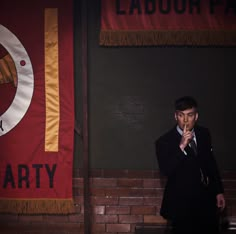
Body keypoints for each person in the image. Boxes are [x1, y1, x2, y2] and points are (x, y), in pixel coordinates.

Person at [155, 96, 225, 234]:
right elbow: (166, 170)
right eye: (181, 115)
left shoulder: (204, 133)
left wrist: (218, 191)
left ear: (196, 116)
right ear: (176, 116)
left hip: (206, 201)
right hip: (181, 205)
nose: (185, 120)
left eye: (190, 115)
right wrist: (181, 147)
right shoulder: (164, 142)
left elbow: (210, 163)